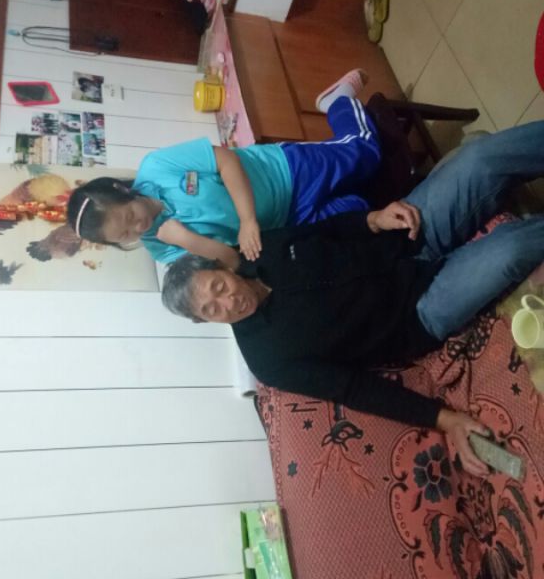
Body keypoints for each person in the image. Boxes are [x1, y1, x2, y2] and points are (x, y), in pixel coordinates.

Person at [160, 120, 544, 477]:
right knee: (508, 252)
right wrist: (445, 419)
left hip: (406, 235)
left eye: (219, 287)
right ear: (205, 321)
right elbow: (355, 390)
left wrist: (373, 219)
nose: (228, 303)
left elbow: (327, 230)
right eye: (212, 310)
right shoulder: (268, 361)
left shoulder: (259, 250)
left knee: (480, 158)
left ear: (223, 269)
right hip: (420, 311)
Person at [67, 70, 381, 266]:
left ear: (121, 190)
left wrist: (247, 220)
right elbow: (231, 260)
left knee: (367, 155)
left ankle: (337, 102)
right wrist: (185, 240)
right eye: (124, 235)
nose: (137, 228)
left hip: (286, 171)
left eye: (129, 217)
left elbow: (226, 160)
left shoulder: (156, 167)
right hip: (288, 220)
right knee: (362, 209)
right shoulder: (161, 249)